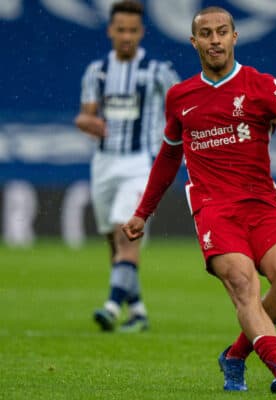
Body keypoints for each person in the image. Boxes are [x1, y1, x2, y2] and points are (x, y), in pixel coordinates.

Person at [122, 6, 276, 394]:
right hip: (214, 210)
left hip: (262, 204)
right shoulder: (181, 97)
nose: (214, 40)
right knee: (242, 282)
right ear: (193, 41)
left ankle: (234, 355)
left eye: (221, 32)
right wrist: (142, 213)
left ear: (235, 37)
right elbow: (168, 157)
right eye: (206, 34)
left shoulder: (259, 84)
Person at [74, 0, 179, 333]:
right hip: (104, 164)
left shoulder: (157, 71)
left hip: (139, 163)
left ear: (141, 32)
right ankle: (137, 311)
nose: (126, 36)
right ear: (110, 30)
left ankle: (110, 305)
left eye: (133, 31)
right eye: (121, 30)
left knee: (125, 234)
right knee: (113, 240)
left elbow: (183, 104)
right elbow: (87, 112)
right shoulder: (97, 71)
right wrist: (86, 122)